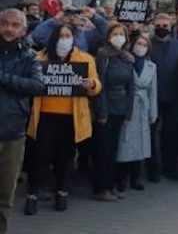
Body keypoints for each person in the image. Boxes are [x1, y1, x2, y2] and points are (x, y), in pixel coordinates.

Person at [26, 23, 102, 215]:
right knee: (41, 157)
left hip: (72, 118)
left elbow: (96, 85)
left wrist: (92, 84)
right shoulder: (39, 58)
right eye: (61, 36)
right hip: (45, 116)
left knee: (66, 157)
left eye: (68, 36)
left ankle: (62, 192)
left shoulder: (85, 59)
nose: (64, 39)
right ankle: (32, 194)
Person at [0, 9, 45, 232]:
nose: (9, 28)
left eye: (15, 24)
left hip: (13, 133)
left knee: (5, 193)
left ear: (23, 30)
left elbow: (38, 86)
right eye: (4, 23)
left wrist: (4, 78)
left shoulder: (30, 57)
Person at [94, 23, 136, 201]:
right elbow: (100, 84)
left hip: (121, 107)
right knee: (104, 149)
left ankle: (111, 185)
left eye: (122, 34)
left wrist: (128, 113)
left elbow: (131, 87)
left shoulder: (128, 57)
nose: (119, 37)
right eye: (115, 33)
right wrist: (102, 112)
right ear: (108, 36)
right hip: (107, 108)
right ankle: (102, 187)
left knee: (114, 150)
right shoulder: (103, 54)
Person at [147, 13, 178, 182]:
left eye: (165, 26)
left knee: (171, 134)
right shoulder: (147, 44)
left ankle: (169, 166)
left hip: (173, 96)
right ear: (154, 25)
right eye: (159, 25)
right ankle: (152, 168)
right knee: (151, 134)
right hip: (152, 96)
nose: (162, 28)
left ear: (171, 27)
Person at [117, 35, 158, 193]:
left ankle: (136, 176)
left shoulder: (151, 66)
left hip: (143, 106)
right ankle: (122, 176)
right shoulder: (126, 61)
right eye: (138, 43)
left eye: (144, 44)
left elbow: (153, 90)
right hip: (128, 103)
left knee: (140, 143)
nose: (140, 46)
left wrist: (153, 112)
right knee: (125, 142)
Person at [31, 6, 108, 54]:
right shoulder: (54, 34)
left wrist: (93, 16)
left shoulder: (84, 35)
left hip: (79, 70)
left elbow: (105, 31)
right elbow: (37, 35)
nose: (71, 18)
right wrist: (56, 18)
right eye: (67, 15)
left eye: (75, 15)